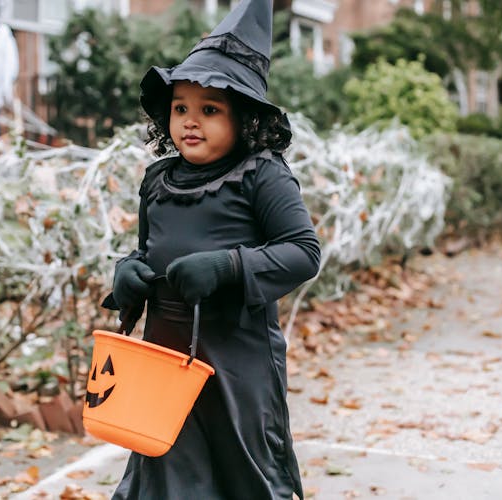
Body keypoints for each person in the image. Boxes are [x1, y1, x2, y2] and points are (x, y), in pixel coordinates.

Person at [102, 1, 320, 498]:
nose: (190, 122)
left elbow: (304, 252)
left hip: (236, 366)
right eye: (181, 107)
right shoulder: (159, 180)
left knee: (240, 476)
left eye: (210, 109)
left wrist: (227, 266)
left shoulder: (262, 175)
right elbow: (148, 253)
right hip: (166, 358)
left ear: (243, 119)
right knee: (166, 473)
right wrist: (128, 275)